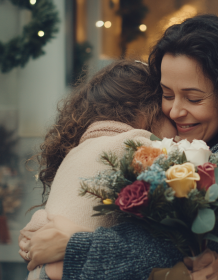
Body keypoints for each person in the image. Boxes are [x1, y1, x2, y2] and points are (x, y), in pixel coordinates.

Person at [20, 14, 218, 280]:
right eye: (166, 94)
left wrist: (70, 242)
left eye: (193, 98)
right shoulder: (186, 149)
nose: (175, 111)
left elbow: (158, 246)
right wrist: (48, 222)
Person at [18, 60, 177, 279]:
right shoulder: (138, 143)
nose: (177, 117)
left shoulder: (74, 154)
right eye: (167, 111)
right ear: (144, 114)